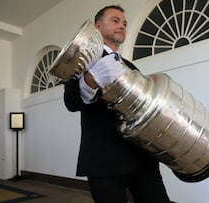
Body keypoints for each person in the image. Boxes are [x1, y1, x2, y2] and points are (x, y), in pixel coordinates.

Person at [63, 5, 171, 203]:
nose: (122, 26)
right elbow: (71, 102)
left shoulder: (131, 67)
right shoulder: (80, 59)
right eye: (115, 20)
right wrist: (91, 80)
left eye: (124, 23)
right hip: (105, 159)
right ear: (97, 26)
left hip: (142, 157)